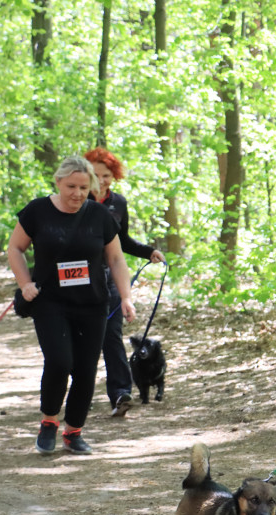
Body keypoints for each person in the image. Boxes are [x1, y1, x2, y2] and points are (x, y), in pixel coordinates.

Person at [7, 155, 136, 455]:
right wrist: (25, 283)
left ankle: (74, 431)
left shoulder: (99, 216)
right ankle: (49, 421)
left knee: (85, 369)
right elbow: (15, 248)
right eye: (71, 187)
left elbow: (116, 259)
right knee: (60, 361)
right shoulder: (37, 211)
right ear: (58, 183)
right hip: (50, 302)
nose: (78, 193)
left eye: (83, 186)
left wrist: (126, 297)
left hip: (91, 304)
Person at [84, 147, 164, 417]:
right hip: (79, 282)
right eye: (95, 174)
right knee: (81, 342)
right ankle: (75, 394)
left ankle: (120, 393)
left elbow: (124, 241)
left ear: (113, 175)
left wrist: (148, 251)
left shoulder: (118, 203)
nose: (101, 180)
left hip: (112, 281)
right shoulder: (76, 198)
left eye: (106, 175)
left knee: (112, 338)